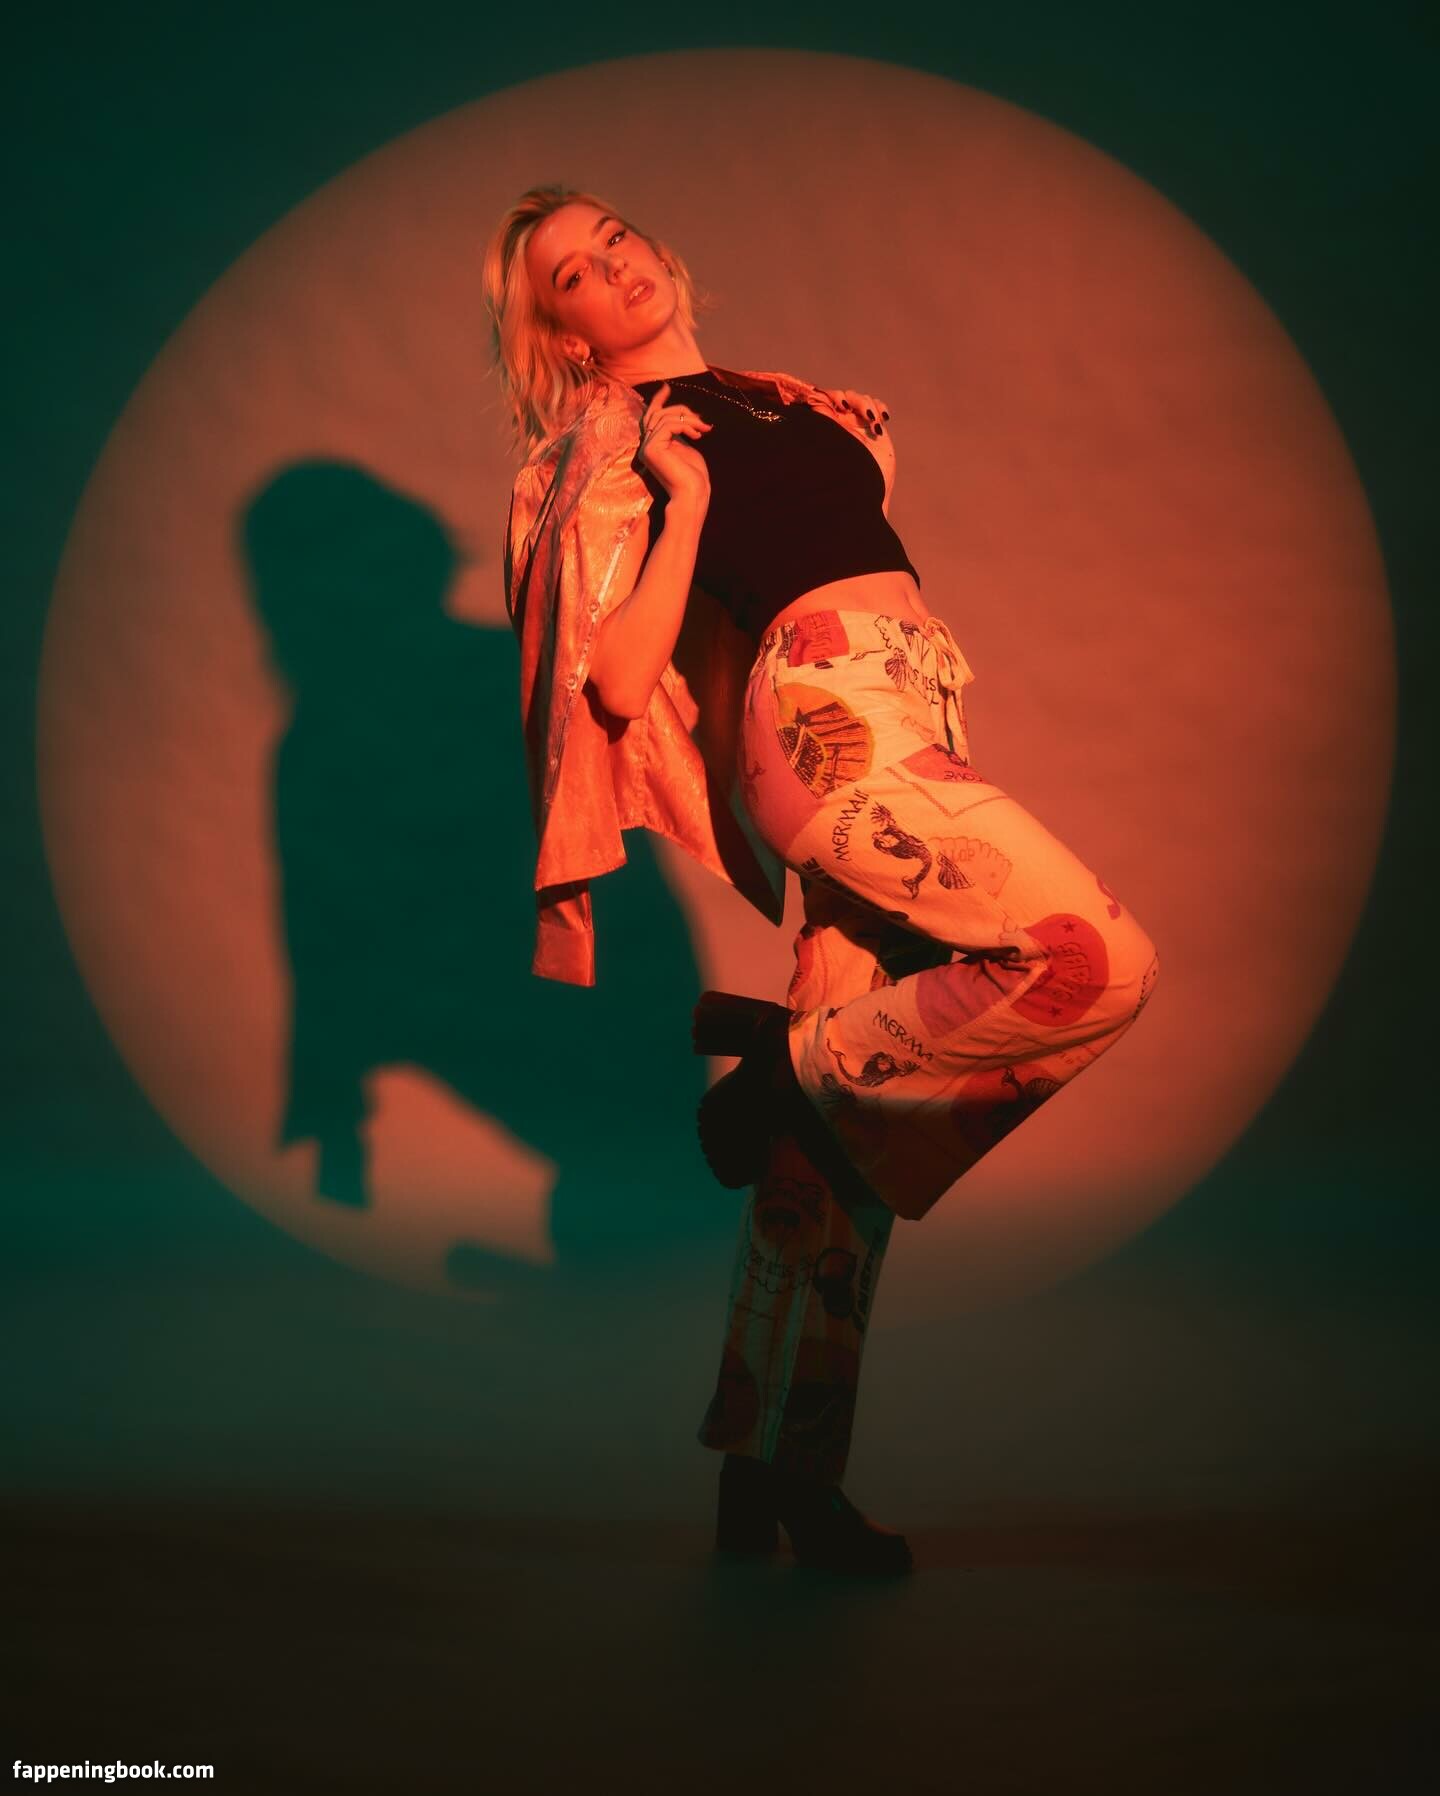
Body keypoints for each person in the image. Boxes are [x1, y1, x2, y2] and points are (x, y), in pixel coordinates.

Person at [482, 184, 1161, 1576]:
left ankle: (776, 1476)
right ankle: (796, 1070)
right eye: (574, 275)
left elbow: (854, 536)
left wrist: (837, 448)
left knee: (829, 1165)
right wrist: (685, 507)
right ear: (562, 334)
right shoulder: (617, 441)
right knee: (1089, 960)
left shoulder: (781, 398)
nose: (614, 267)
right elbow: (616, 680)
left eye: (616, 239)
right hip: (827, 721)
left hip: (915, 706)